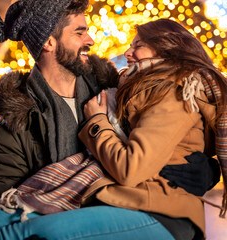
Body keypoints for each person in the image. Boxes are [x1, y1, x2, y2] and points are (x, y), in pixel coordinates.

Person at [0, 0, 220, 239]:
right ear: (49, 42)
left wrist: (199, 168)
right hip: (73, 207)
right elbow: (7, 201)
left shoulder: (112, 91)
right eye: (80, 33)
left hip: (122, 208)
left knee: (13, 234)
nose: (91, 40)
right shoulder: (12, 126)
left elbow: (159, 145)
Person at [79, 18, 227, 240]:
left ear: (169, 48)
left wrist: (97, 122)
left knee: (23, 232)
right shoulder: (145, 89)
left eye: (138, 45)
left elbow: (131, 168)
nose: (128, 53)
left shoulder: (175, 91)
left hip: (157, 211)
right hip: (146, 205)